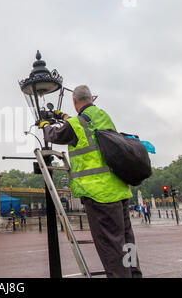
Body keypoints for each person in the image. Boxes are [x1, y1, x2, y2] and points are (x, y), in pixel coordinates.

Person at [40, 85, 142, 278]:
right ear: (92, 99)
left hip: (98, 194)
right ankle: (135, 274)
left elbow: (55, 135)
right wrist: (63, 117)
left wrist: (44, 125)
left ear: (73, 101)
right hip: (119, 189)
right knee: (127, 241)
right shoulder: (103, 116)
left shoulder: (76, 125)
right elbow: (84, 124)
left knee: (111, 246)